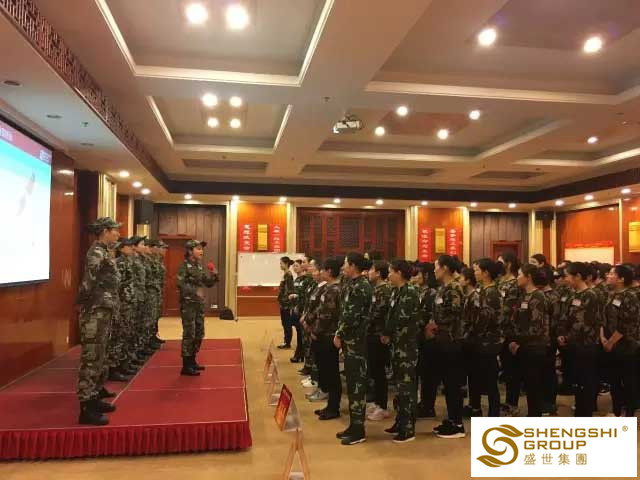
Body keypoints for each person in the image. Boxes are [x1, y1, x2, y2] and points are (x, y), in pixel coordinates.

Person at [75, 217, 121, 425]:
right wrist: (84, 305)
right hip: (95, 311)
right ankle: (86, 408)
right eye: (115, 230)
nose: (118, 234)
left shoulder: (104, 251)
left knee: (100, 356)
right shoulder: (96, 252)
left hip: (104, 310)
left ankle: (94, 397)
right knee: (91, 357)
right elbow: (88, 282)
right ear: (104, 231)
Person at [334, 252, 372, 445]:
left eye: (346, 264)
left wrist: (339, 334)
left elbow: (351, 316)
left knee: (357, 385)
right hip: (351, 342)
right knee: (352, 384)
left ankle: (359, 430)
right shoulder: (353, 284)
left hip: (357, 342)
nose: (343, 267)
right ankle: (354, 424)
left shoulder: (361, 287)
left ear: (354, 266)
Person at [426, 255, 466, 439]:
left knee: (453, 384)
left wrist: (436, 325)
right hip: (441, 341)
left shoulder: (454, 288)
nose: (434, 270)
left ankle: (457, 424)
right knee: (447, 384)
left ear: (445, 268)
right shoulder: (443, 288)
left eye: (436, 266)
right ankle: (451, 419)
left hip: (452, 341)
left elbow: (455, 313)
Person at [382, 260, 420, 443]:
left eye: (391, 271)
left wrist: (388, 332)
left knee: (407, 388)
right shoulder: (396, 291)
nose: (388, 275)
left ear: (399, 273)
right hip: (397, 346)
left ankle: (408, 428)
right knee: (400, 388)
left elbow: (402, 318)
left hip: (406, 347)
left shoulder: (410, 292)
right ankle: (400, 421)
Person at [558, 262, 601, 416]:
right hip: (573, 344)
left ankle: (585, 413)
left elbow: (584, 323)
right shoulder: (573, 294)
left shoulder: (591, 295)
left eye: (568, 276)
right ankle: (580, 409)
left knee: (586, 381)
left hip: (586, 345)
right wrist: (562, 334)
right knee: (577, 380)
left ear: (577, 276)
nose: (566, 279)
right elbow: (566, 316)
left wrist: (567, 337)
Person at [512, 264, 550, 417]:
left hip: (535, 346)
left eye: (520, 274)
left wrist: (518, 342)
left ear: (528, 277)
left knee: (534, 385)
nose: (517, 277)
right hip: (524, 345)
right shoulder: (524, 296)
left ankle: (535, 417)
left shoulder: (538, 296)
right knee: (529, 384)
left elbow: (537, 327)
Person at [176, 240, 219, 376]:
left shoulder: (199, 266)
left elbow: (208, 283)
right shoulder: (184, 266)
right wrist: (195, 291)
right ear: (190, 251)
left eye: (202, 249)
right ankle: (186, 365)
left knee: (199, 333)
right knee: (189, 333)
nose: (201, 251)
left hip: (198, 305)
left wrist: (214, 275)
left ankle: (193, 360)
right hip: (188, 305)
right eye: (198, 249)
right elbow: (180, 284)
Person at [601, 265, 639, 417]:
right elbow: (603, 318)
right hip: (610, 343)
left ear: (621, 279)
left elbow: (627, 323)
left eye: (612, 274)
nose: (608, 276)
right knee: (614, 379)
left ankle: (629, 412)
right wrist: (603, 337)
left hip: (626, 345)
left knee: (628, 380)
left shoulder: (630, 296)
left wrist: (610, 342)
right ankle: (616, 410)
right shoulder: (610, 294)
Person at [467, 259, 502, 417]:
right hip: (478, 340)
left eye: (477, 270)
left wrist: (473, 330)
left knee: (490, 380)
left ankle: (494, 413)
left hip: (488, 341)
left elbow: (486, 318)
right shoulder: (481, 290)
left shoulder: (491, 292)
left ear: (486, 273)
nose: (475, 273)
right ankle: (475, 407)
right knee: (476, 377)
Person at [310, 258, 342, 420]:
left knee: (332, 372)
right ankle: (330, 405)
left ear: (329, 271)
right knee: (326, 370)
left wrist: (315, 331)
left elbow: (327, 316)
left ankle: (334, 407)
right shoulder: (328, 288)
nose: (320, 272)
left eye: (322, 270)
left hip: (328, 336)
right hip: (322, 334)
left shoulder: (334, 290)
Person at [106, 237, 137, 380]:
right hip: (122, 304)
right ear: (121, 248)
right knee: (118, 336)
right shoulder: (119, 263)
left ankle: (123, 364)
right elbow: (117, 285)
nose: (132, 248)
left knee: (126, 334)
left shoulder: (127, 262)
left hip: (128, 302)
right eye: (128, 246)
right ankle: (114, 368)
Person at [411, 262, 438, 419]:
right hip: (418, 337)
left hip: (428, 337)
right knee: (420, 372)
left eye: (418, 274)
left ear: (426, 275)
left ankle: (428, 406)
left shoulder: (432, 293)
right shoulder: (418, 291)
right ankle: (422, 403)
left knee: (428, 375)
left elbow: (430, 315)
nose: (415, 277)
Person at [366, 260, 392, 422]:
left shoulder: (385, 290)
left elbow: (378, 314)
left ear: (378, 273)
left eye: (371, 270)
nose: (369, 273)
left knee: (379, 372)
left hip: (379, 336)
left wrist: (363, 321)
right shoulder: (377, 289)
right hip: (372, 335)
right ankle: (377, 402)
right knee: (374, 371)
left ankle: (382, 406)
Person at [497, 252, 521, 416]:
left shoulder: (514, 284)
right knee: (505, 368)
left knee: (512, 370)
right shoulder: (499, 282)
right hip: (498, 331)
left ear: (509, 264)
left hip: (510, 331)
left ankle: (512, 403)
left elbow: (510, 309)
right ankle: (506, 402)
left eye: (501, 262)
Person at [277, 256, 295, 350]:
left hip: (286, 304)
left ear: (286, 264)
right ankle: (286, 341)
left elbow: (290, 290)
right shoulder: (285, 274)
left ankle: (287, 343)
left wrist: (285, 302)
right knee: (284, 323)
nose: (280, 265)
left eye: (281, 263)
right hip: (283, 303)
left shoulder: (288, 275)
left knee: (287, 323)